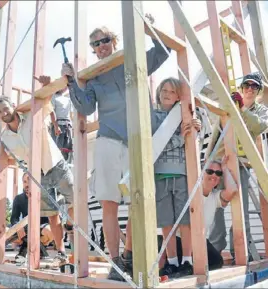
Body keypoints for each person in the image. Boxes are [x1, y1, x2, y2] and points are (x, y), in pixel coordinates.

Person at [61, 15, 170, 281]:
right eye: (95, 44)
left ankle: (130, 254)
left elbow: (164, 52)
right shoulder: (94, 77)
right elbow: (85, 107)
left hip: (138, 140)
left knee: (137, 199)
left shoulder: (133, 60)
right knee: (108, 202)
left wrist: (148, 29)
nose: (101, 46)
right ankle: (116, 262)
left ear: (115, 41)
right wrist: (71, 81)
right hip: (109, 140)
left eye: (105, 40)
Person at [0, 84, 74, 269]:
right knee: (52, 215)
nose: (4, 113)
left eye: (5, 108)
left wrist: (46, 87)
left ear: (13, 105)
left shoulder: (32, 116)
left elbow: (46, 101)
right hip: (38, 175)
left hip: (56, 164)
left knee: (75, 200)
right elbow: (8, 161)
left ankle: (73, 235)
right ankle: (62, 254)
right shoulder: (5, 137)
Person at [206, 72, 268, 261]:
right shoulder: (230, 105)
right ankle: (215, 248)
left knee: (240, 211)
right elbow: (217, 132)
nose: (249, 89)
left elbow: (259, 126)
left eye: (254, 87)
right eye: (246, 85)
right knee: (215, 206)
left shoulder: (260, 110)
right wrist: (208, 161)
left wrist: (241, 110)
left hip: (241, 164)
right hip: (220, 162)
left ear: (258, 91)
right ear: (241, 88)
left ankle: (239, 251)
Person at [151, 78, 205, 278]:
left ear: (177, 97)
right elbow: (157, 143)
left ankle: (187, 261)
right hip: (160, 173)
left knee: (185, 220)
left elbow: (195, 138)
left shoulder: (183, 115)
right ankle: (172, 262)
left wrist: (197, 128)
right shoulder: (153, 116)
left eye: (172, 91)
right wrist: (179, 138)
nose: (166, 93)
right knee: (167, 221)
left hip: (182, 173)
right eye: (163, 90)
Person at [158, 158, 238, 275]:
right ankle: (178, 266)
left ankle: (187, 269)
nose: (214, 175)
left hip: (198, 240)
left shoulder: (215, 198)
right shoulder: (189, 191)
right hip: (178, 240)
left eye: (218, 173)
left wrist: (225, 168)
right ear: (201, 173)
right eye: (209, 171)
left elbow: (232, 189)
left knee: (216, 261)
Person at [9, 173, 54, 265]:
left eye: (29, 180)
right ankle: (38, 250)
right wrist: (18, 227)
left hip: (42, 229)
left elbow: (51, 219)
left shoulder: (43, 196)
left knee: (49, 230)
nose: (27, 184)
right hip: (25, 230)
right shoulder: (18, 198)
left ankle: (23, 252)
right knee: (6, 232)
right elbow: (14, 218)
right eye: (24, 181)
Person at [49, 86, 74, 162]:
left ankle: (65, 167)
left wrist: (73, 128)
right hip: (59, 125)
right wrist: (56, 126)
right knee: (57, 150)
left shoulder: (68, 99)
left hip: (68, 126)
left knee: (67, 150)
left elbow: (71, 114)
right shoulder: (54, 97)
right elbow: (52, 112)